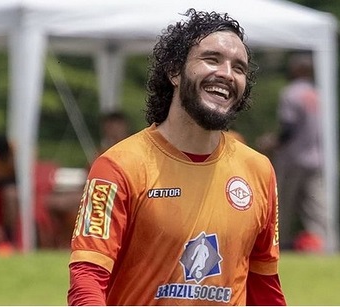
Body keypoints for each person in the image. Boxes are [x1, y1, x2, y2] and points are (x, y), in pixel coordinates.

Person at [68, 9, 286, 305]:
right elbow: (87, 278)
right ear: (174, 70)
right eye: (211, 59)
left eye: (239, 68)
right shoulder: (118, 165)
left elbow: (265, 288)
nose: (226, 73)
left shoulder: (258, 170)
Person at [257, 53, 327, 253]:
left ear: (296, 70)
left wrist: (271, 142)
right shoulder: (318, 94)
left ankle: (277, 246)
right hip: (316, 159)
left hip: (293, 158)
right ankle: (325, 247)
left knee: (282, 206)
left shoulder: (291, 93)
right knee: (317, 208)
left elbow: (289, 128)